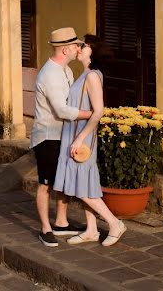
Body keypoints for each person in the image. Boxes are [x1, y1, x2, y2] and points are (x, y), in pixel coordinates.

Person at [54, 34, 126, 247]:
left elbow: (98, 112)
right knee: (82, 183)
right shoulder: (84, 74)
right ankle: (92, 229)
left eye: (83, 46)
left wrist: (80, 138)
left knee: (82, 187)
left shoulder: (93, 76)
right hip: (74, 135)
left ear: (92, 52)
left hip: (81, 138)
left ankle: (114, 224)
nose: (79, 48)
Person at [30, 27, 92, 247]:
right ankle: (46, 228)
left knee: (63, 181)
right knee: (46, 183)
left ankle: (61, 221)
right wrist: (93, 114)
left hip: (64, 133)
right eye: (76, 45)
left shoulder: (65, 70)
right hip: (47, 136)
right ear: (66, 50)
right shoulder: (49, 74)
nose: (79, 48)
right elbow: (62, 110)